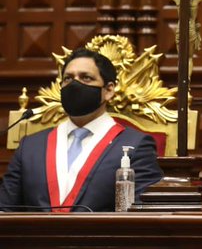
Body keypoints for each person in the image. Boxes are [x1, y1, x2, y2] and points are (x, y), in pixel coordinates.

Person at [0, 48, 163, 212]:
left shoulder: (136, 145)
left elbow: (142, 214)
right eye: (68, 78)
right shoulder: (30, 146)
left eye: (86, 78)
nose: (74, 84)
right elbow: (5, 210)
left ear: (109, 90)